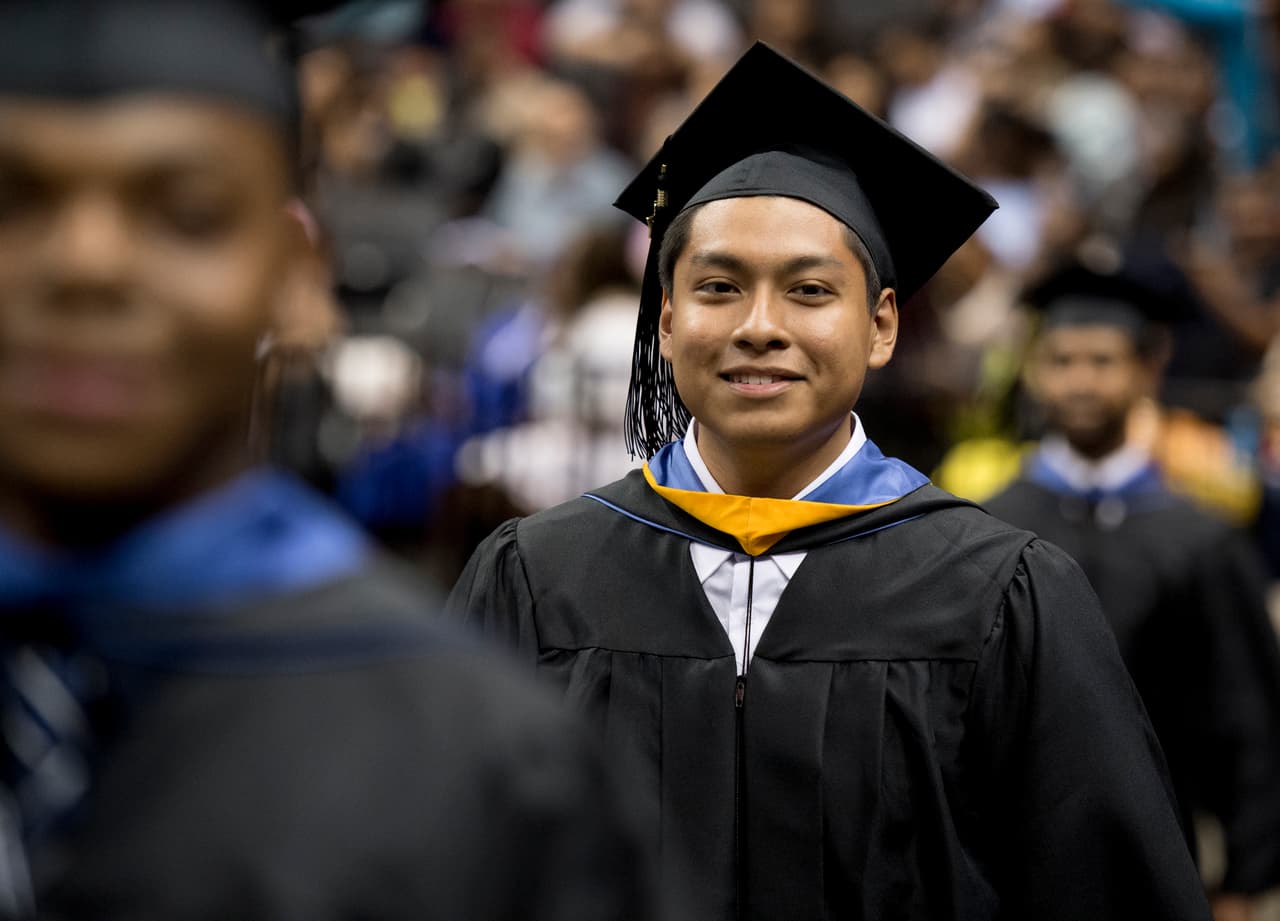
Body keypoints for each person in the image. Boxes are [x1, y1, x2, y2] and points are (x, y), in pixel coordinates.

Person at [447, 42, 1213, 920]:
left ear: (881, 325)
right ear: (665, 321)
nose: (760, 326)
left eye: (809, 290)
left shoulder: (997, 592)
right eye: (719, 287)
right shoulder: (539, 578)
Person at [0, 2, 665, 918]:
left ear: (292, 270)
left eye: (188, 215)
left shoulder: (480, 761)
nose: (87, 265)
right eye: (9, 200)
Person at [983, 263, 1280, 921]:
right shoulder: (988, 526)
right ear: (1036, 370)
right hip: (1009, 864)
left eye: (1103, 360)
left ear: (1148, 370)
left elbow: (1245, 711)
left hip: (1166, 855)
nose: (1082, 380)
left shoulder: (1198, 538)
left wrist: (1243, 871)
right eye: (1062, 360)